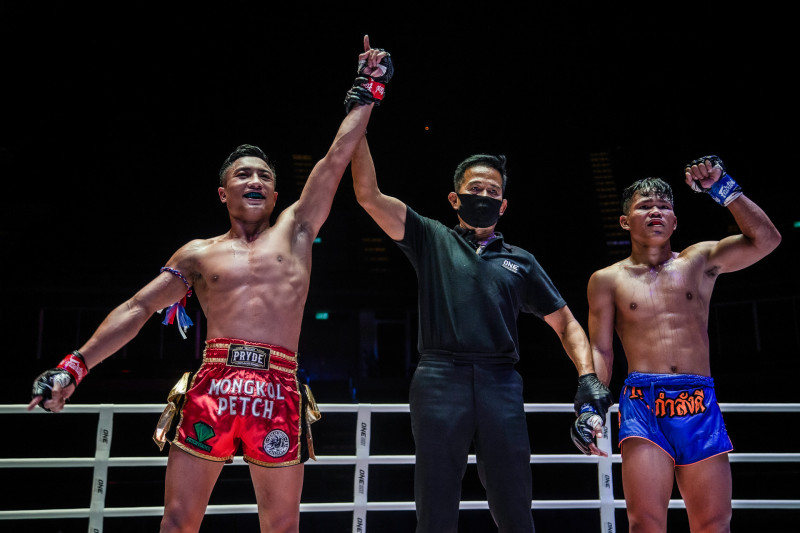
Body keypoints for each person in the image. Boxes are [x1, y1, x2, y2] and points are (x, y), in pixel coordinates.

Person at [27, 36, 393, 533]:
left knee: (282, 526)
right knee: (178, 521)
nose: (255, 181)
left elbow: (335, 159)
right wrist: (73, 367)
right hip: (213, 387)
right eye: (243, 175)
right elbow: (138, 308)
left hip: (277, 387)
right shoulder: (197, 254)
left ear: (276, 194)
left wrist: (367, 90)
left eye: (264, 176)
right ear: (224, 192)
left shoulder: (297, 230)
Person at [350, 137, 613, 532]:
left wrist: (587, 376)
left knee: (514, 501)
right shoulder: (430, 237)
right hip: (439, 378)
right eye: (476, 189)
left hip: (500, 382)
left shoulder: (521, 261)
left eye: (493, 191)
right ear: (454, 198)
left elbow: (567, 323)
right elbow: (368, 195)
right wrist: (360, 124)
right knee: (435, 503)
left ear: (503, 205)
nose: (485, 197)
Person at [587, 155, 781, 532]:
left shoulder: (699, 261)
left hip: (698, 400)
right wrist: (591, 406)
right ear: (625, 221)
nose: (655, 211)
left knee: (713, 524)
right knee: (645, 524)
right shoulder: (607, 279)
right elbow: (601, 349)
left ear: (675, 221)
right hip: (643, 402)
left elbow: (768, 240)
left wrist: (723, 188)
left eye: (664, 207)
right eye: (645, 206)